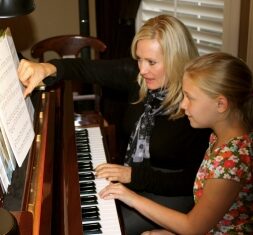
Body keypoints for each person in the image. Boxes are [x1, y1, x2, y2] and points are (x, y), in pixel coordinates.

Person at [18, 15, 211, 234]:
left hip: (171, 195)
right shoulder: (139, 77)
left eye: (152, 62)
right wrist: (47, 68)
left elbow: (194, 181)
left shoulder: (197, 106)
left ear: (177, 60)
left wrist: (132, 176)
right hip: (135, 179)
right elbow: (86, 68)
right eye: (139, 59)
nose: (142, 70)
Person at [99, 52, 253, 234]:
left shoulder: (232, 160)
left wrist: (130, 197)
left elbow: (192, 227)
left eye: (190, 97)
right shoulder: (220, 137)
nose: (182, 105)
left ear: (220, 104)